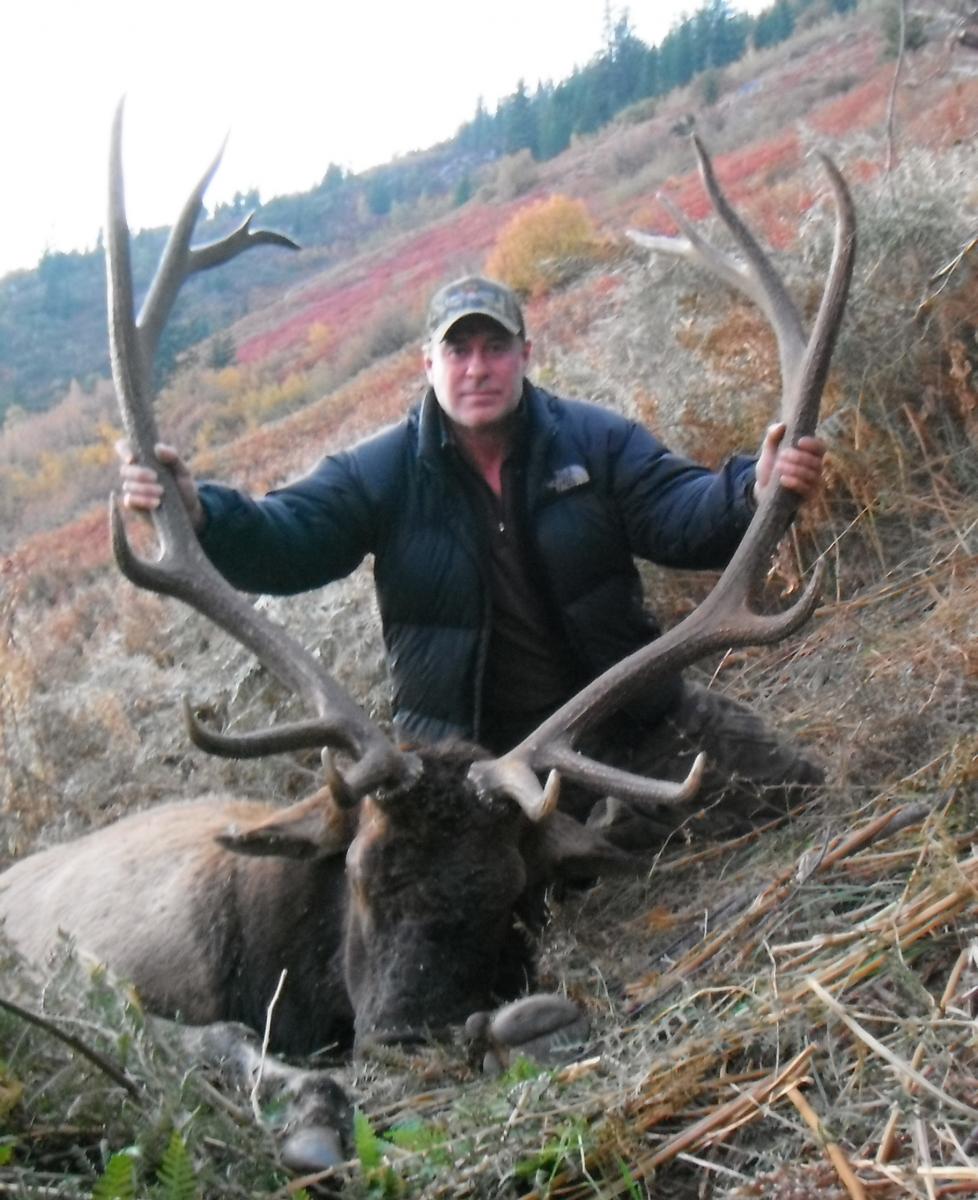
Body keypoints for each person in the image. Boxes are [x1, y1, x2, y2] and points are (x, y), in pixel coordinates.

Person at [119, 275, 826, 843]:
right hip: (472, 772)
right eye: (458, 352)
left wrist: (752, 490)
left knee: (800, 794)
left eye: (494, 347)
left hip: (630, 723)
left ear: (525, 354)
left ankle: (610, 830)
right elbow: (286, 540)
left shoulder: (595, 441)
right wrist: (202, 510)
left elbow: (683, 516)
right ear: (428, 364)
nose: (477, 368)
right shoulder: (381, 473)